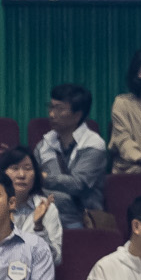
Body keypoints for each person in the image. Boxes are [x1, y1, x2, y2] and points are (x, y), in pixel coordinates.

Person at [35, 81, 108, 227]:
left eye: (59, 109)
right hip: (47, 215)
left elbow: (78, 184)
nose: (51, 114)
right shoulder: (44, 144)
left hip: (80, 220)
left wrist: (44, 179)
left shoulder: (93, 144)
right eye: (51, 107)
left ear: (77, 115)